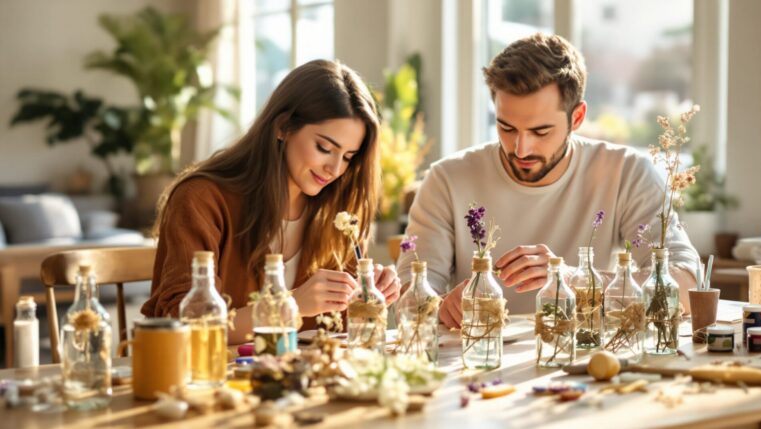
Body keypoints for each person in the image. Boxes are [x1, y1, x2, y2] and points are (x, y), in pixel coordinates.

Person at [396, 33, 699, 328]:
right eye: (506, 127)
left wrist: (572, 279)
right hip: (478, 360)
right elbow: (409, 299)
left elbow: (688, 286)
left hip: (582, 359)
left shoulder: (627, 172)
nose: (520, 149)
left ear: (577, 118)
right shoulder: (446, 180)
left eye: (541, 132)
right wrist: (440, 307)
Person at [142, 60, 401, 343]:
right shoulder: (202, 200)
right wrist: (291, 306)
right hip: (216, 380)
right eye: (324, 148)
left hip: (307, 382)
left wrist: (366, 294)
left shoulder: (338, 214)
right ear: (283, 127)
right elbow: (186, 327)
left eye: (349, 157)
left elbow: (339, 332)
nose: (336, 169)